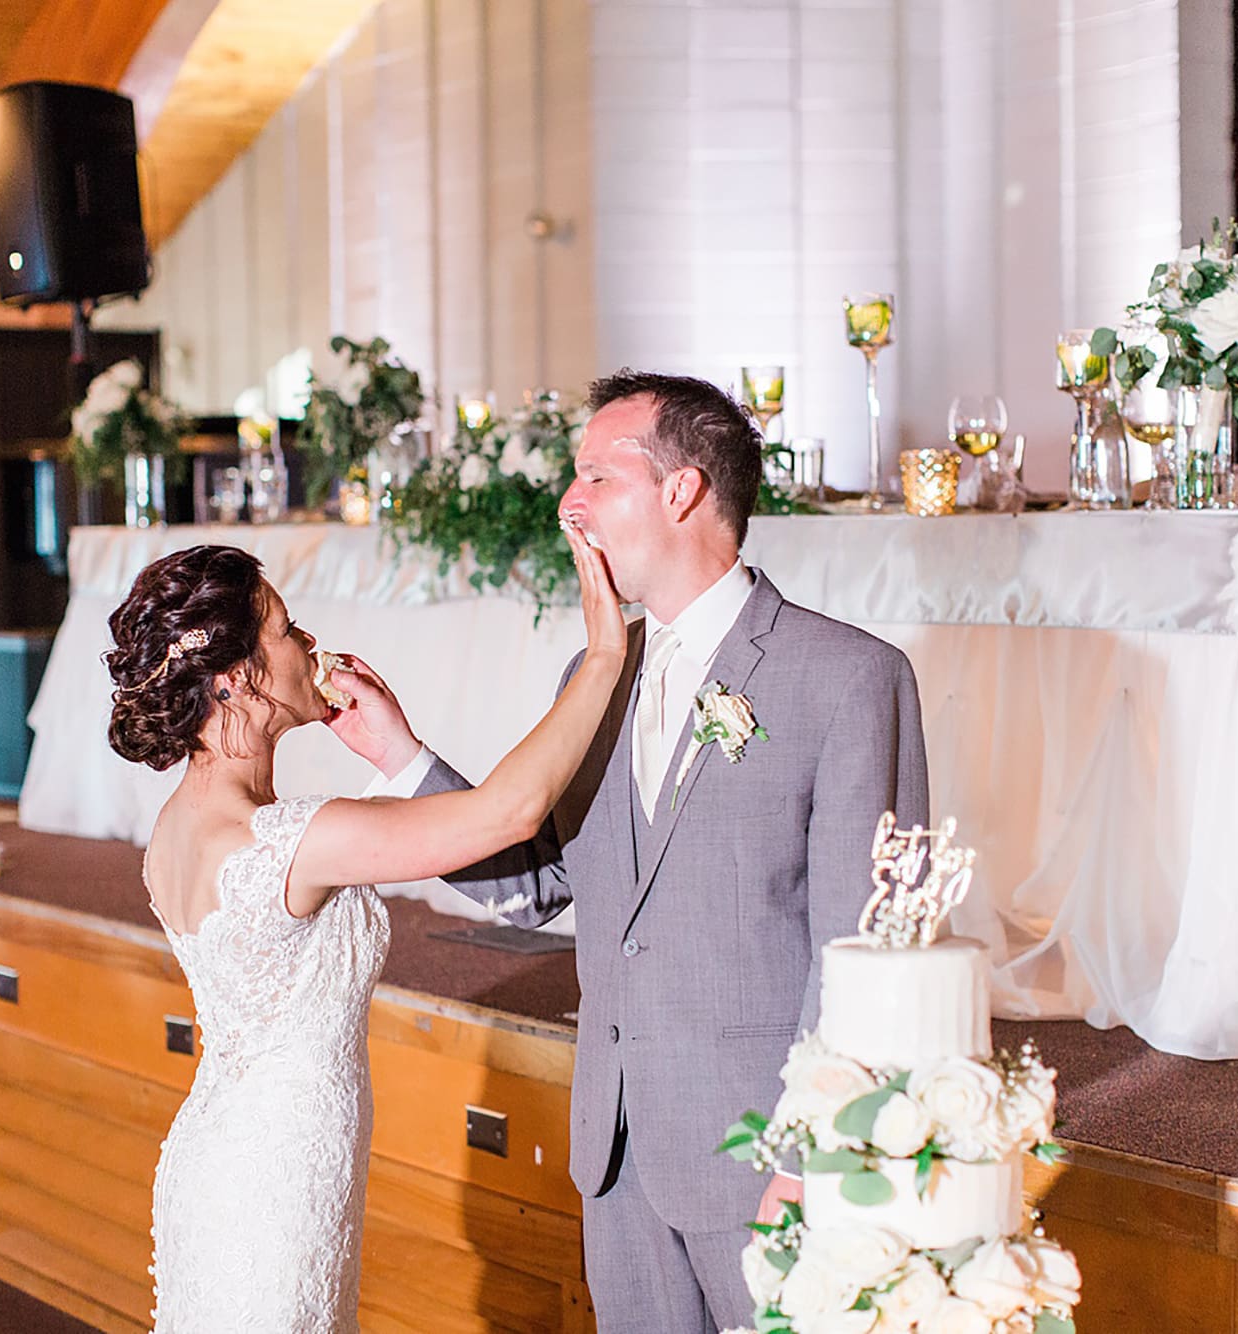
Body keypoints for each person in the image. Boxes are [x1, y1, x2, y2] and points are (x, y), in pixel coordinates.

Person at [332, 370, 929, 1331]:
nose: (570, 504)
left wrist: (813, 1156)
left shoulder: (851, 678)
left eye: (596, 477)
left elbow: (868, 946)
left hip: (766, 1160)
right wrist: (400, 757)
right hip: (615, 1155)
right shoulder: (595, 672)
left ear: (682, 490)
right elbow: (542, 881)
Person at [110, 531, 624, 1333]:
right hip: (278, 1180)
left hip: (230, 1152)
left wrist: (398, 749)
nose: (309, 643)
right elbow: (509, 815)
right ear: (238, 677)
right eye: (286, 629)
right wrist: (600, 658)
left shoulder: (182, 822)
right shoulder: (294, 841)